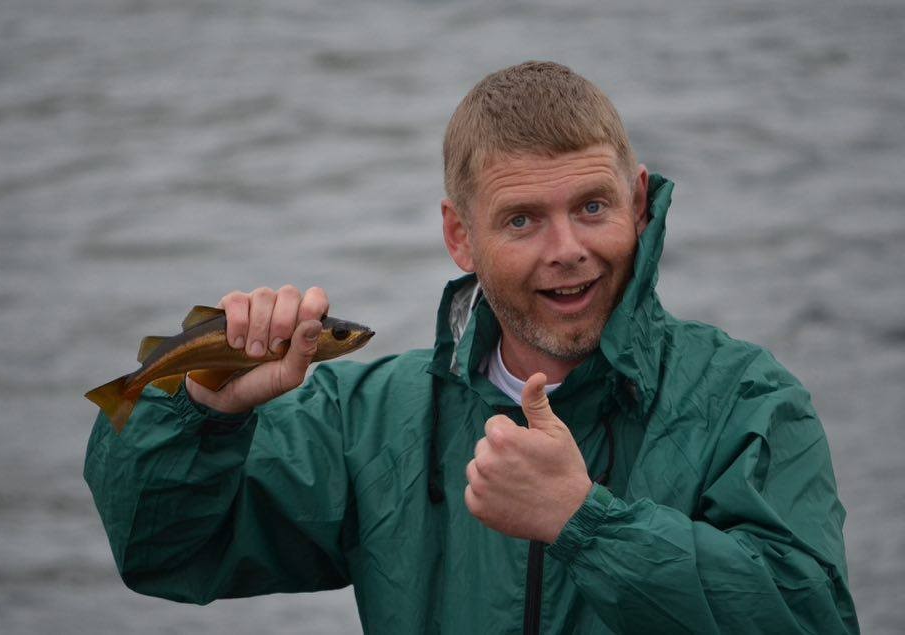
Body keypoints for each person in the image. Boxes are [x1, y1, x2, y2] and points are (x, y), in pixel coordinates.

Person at [85, 61, 858, 634]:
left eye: (593, 206)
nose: (568, 250)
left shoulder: (747, 400)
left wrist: (586, 521)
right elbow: (161, 549)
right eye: (522, 219)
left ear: (639, 200)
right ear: (461, 235)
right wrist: (201, 414)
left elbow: (811, 617)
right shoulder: (369, 419)